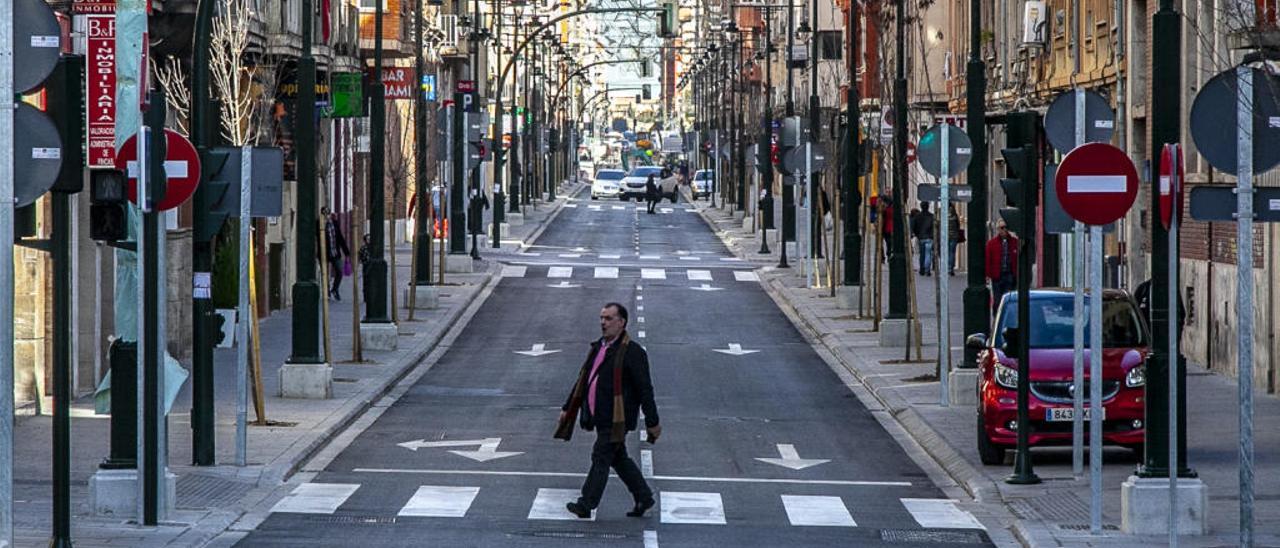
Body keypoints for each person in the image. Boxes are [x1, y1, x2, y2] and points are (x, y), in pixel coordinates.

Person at [560, 303, 661, 519]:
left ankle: (586, 504)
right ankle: (644, 496)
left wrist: (652, 421)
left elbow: (645, 389)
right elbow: (584, 379)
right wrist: (568, 408)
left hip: (618, 418)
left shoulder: (633, 353)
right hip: (600, 416)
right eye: (601, 318)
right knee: (618, 457)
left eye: (608, 318)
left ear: (621, 322)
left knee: (601, 456)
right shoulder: (599, 347)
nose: (603, 323)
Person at [985, 220, 1018, 312]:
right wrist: (988, 274)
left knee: (1008, 299)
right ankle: (997, 318)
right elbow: (988, 260)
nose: (1005, 230)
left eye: (1006, 227)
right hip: (997, 276)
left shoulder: (1015, 242)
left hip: (1010, 275)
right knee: (997, 300)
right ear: (998, 229)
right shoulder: (991, 244)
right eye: (1002, 228)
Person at [321, 207, 350, 301]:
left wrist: (346, 252)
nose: (326, 216)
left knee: (340, 271)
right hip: (324, 253)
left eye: (328, 214)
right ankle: (327, 293)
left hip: (335, 252)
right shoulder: (319, 224)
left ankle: (335, 289)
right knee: (324, 274)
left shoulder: (334, 223)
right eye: (324, 214)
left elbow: (340, 238)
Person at [910, 203, 935, 276]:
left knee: (922, 254)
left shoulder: (917, 216)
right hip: (929, 237)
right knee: (928, 254)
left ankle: (922, 269)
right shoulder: (932, 216)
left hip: (921, 237)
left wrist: (916, 234)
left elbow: (914, 227)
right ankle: (927, 269)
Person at [947, 204, 963, 276]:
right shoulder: (955, 216)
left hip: (946, 236)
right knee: (952, 252)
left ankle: (947, 267)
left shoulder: (944, 215)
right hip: (954, 236)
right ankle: (951, 268)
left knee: (946, 252)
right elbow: (958, 226)